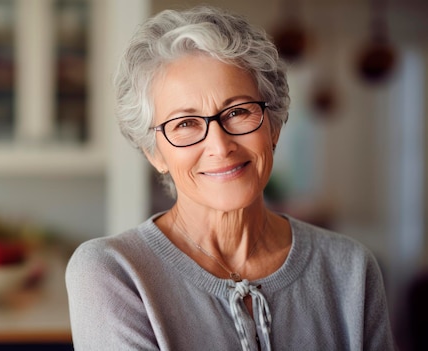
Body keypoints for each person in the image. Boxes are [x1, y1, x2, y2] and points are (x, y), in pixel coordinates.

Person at [65, 6, 395, 351]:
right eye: (185, 123)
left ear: (274, 127)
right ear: (155, 153)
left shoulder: (351, 269)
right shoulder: (113, 273)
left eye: (237, 112)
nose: (220, 146)